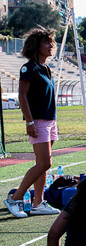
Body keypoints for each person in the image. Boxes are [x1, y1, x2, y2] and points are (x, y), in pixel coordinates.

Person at [4, 27, 60, 218]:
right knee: (44, 162)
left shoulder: (46, 69)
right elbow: (22, 95)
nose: (51, 45)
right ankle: (15, 198)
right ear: (37, 46)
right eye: (47, 42)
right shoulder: (29, 68)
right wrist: (29, 122)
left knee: (44, 164)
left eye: (52, 42)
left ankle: (38, 202)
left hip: (50, 119)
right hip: (38, 120)